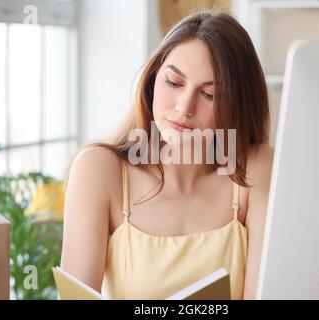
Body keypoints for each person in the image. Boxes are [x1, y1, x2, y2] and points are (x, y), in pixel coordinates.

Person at [60, 10, 274, 300]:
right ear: (152, 81)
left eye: (209, 95)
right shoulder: (99, 169)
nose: (184, 107)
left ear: (237, 105)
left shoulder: (256, 168)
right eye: (173, 83)